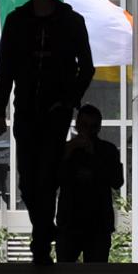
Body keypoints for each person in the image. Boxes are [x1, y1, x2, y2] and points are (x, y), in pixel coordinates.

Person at [0, 0, 95, 265]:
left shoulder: (70, 21)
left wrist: (69, 100)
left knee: (48, 173)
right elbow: (5, 68)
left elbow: (86, 67)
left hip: (55, 112)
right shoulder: (16, 20)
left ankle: (40, 243)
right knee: (27, 178)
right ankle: (44, 227)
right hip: (25, 109)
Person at [55, 105, 123, 263]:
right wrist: (67, 153)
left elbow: (117, 181)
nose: (88, 131)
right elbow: (54, 180)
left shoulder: (108, 150)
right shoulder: (66, 150)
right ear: (77, 125)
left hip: (98, 224)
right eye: (84, 126)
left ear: (98, 128)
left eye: (92, 127)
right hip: (70, 222)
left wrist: (94, 156)